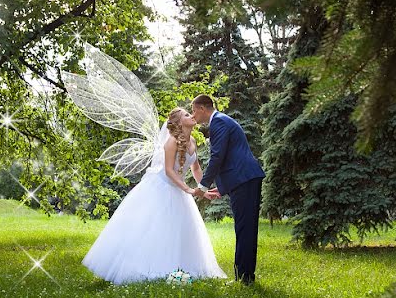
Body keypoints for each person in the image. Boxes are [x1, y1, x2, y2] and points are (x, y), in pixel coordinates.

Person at [81, 107, 227, 284]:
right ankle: (146, 268)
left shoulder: (193, 141)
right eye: (187, 115)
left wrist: (203, 188)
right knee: (155, 228)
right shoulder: (171, 142)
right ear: (179, 123)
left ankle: (180, 268)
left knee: (179, 229)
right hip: (163, 187)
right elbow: (167, 171)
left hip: (178, 188)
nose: (192, 115)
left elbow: (195, 168)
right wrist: (188, 190)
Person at [190, 94, 265, 285]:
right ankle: (244, 277)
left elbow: (218, 157)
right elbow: (230, 159)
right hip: (242, 179)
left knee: (245, 229)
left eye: (193, 110)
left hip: (245, 179)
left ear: (202, 108)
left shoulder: (219, 123)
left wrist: (203, 186)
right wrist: (221, 189)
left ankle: (245, 278)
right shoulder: (221, 121)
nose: (193, 115)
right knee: (244, 228)